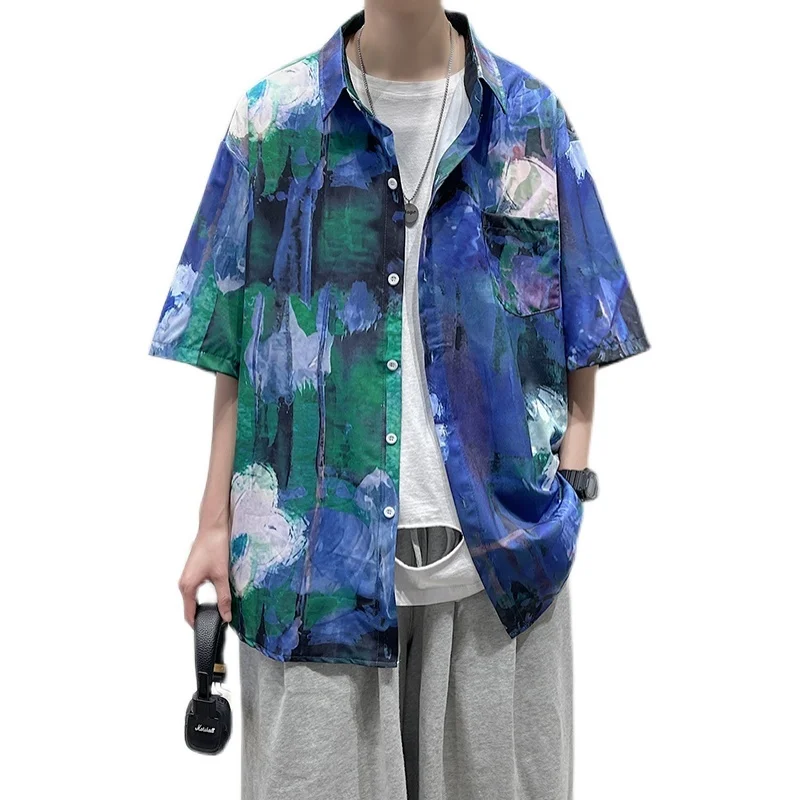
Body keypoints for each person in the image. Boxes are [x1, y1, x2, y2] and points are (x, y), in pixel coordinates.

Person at [148, 3, 650, 798]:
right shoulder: (273, 123)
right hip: (313, 584)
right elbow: (237, 345)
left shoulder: (529, 119)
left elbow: (586, 322)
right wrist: (213, 524)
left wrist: (568, 489)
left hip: (499, 582)